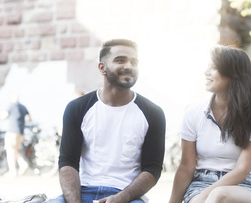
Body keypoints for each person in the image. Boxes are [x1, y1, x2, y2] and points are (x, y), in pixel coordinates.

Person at [46, 39, 166, 203]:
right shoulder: (77, 108)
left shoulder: (153, 113)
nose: (129, 66)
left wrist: (121, 198)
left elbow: (152, 169)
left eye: (134, 62)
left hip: (127, 196)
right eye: (120, 60)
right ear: (102, 68)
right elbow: (68, 162)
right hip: (82, 192)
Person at [169, 45, 251, 203]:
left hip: (244, 187)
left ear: (233, 74)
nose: (206, 72)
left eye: (214, 68)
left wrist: (205, 197)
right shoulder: (193, 114)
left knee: (219, 195)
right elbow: (186, 166)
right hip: (200, 183)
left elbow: (242, 170)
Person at [1, 92, 31, 177]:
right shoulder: (23, 107)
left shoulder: (11, 105)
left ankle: (13, 171)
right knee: (15, 150)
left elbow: (4, 116)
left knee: (10, 150)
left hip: (12, 131)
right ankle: (23, 164)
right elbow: (29, 119)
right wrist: (21, 122)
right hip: (20, 132)